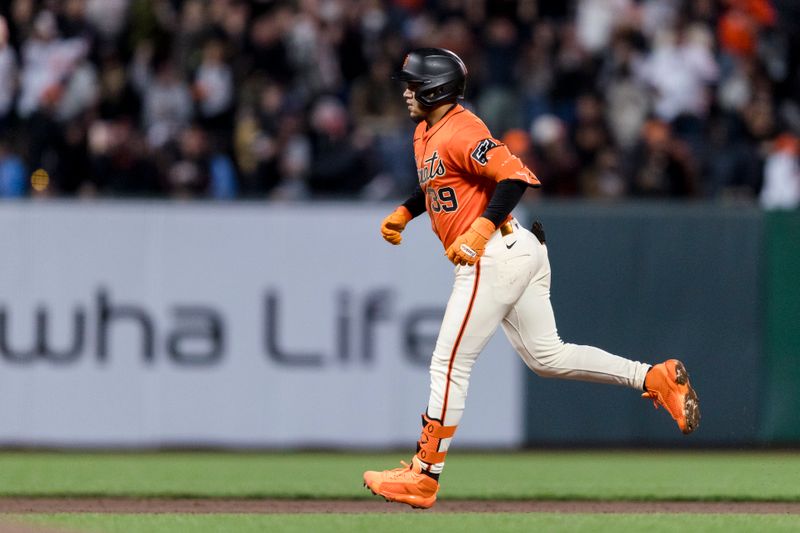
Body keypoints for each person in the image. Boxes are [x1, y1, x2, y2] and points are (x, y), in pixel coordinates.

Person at [362, 48, 701, 509]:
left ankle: (424, 475)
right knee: (548, 356)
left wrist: (480, 230)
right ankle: (653, 377)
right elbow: (441, 184)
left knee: (448, 365)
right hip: (518, 249)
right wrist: (406, 211)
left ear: (435, 89)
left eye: (412, 84)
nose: (405, 92)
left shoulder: (462, 127)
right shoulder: (426, 131)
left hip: (495, 252)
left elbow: (515, 176)